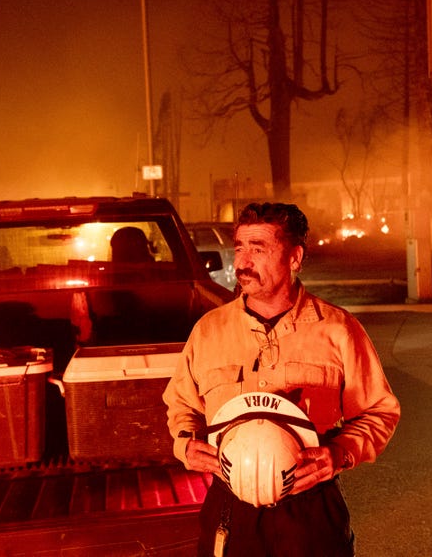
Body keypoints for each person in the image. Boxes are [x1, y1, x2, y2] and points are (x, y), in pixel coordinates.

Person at [163, 202, 400, 556]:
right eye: (239, 247)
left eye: (258, 249)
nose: (243, 262)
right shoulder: (209, 331)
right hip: (230, 509)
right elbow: (182, 407)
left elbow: (379, 412)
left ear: (294, 258)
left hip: (309, 509)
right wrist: (186, 444)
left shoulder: (337, 330)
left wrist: (339, 453)